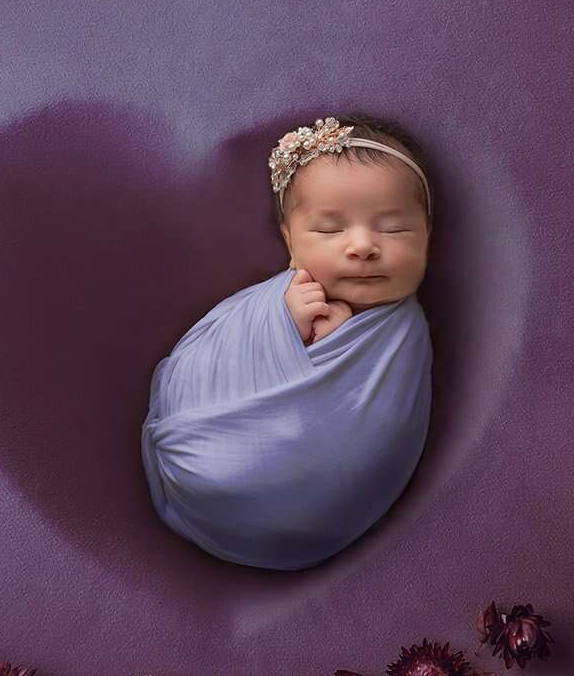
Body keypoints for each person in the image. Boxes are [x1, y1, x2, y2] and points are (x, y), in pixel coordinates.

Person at [140, 114, 435, 570]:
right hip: (199, 438)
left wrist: (323, 350)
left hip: (299, 494)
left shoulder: (402, 333)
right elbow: (211, 350)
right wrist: (282, 326)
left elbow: (376, 431)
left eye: (394, 229)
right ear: (291, 244)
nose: (362, 246)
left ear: (427, 239)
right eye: (330, 229)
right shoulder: (274, 300)